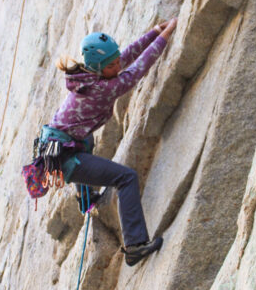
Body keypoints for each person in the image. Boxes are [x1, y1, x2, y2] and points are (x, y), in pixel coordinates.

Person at [45, 18, 177, 266]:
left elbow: (124, 57)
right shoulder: (101, 89)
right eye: (112, 64)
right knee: (126, 177)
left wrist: (153, 33)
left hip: (63, 144)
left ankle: (86, 198)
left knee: (86, 137)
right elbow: (137, 70)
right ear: (99, 68)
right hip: (65, 158)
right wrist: (165, 36)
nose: (117, 64)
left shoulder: (91, 74)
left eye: (115, 61)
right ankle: (136, 245)